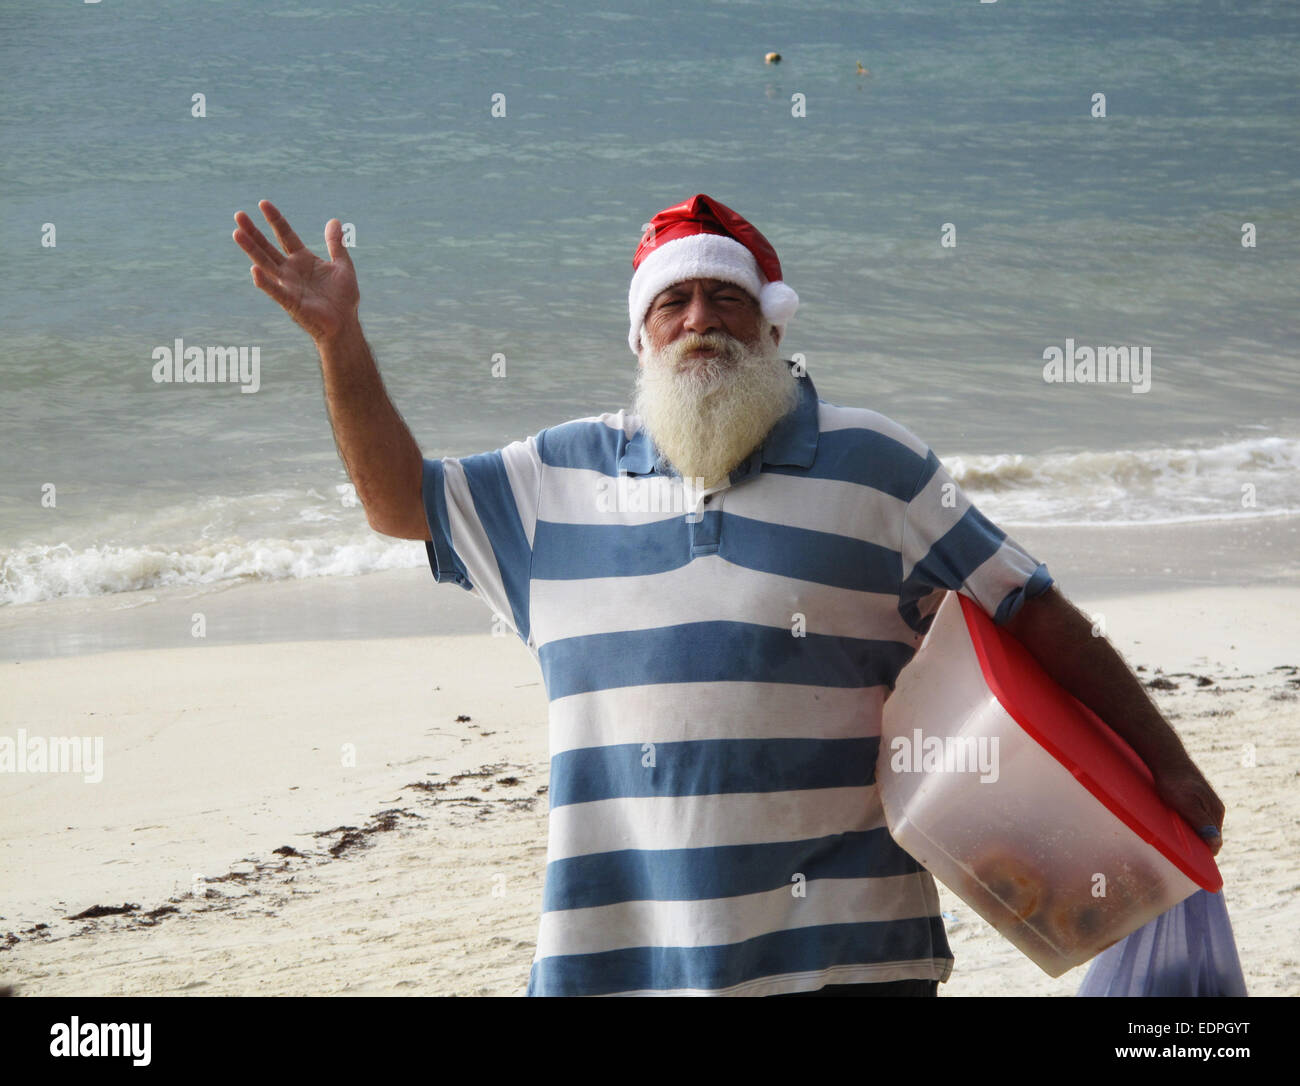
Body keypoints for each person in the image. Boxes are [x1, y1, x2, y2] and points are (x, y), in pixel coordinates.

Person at [232, 193, 1226, 997]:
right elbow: (397, 503)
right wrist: (338, 342)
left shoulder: (873, 463)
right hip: (612, 961)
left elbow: (1029, 611)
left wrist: (1164, 765)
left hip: (848, 959)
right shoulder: (552, 481)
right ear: (639, 337)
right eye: (673, 303)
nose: (700, 319)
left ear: (769, 323)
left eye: (726, 299)